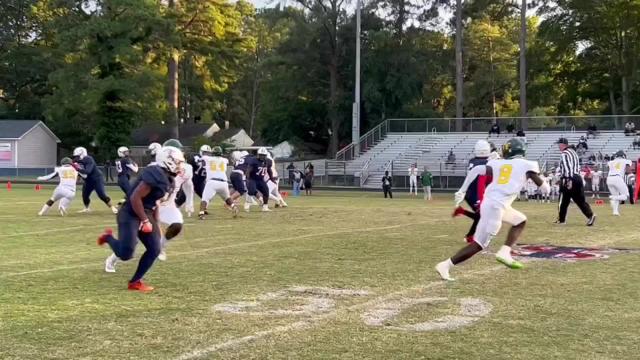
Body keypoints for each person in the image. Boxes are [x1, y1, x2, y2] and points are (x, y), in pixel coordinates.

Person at [436, 138, 549, 281]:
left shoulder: (498, 163)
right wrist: (543, 180)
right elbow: (545, 189)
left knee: (520, 221)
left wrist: (462, 191)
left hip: (495, 204)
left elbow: (477, 170)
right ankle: (445, 265)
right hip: (496, 206)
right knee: (479, 244)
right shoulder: (527, 164)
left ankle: (505, 251)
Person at [97, 146, 184, 292]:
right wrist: (144, 220)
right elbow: (135, 197)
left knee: (155, 248)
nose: (180, 165)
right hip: (130, 211)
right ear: (168, 161)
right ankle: (108, 237)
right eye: (178, 162)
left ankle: (135, 282)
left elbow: (155, 203)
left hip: (147, 211)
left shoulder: (168, 179)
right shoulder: (155, 174)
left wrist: (155, 223)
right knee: (126, 254)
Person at [452, 140, 494, 243]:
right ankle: (469, 236)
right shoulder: (486, 162)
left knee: (482, 215)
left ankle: (462, 212)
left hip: (471, 191)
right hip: (475, 193)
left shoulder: (473, 160)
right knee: (482, 216)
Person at [555, 138, 596, 225]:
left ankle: (561, 220)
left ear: (563, 144)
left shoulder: (564, 154)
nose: (558, 146)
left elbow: (567, 167)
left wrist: (568, 179)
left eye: (559, 144)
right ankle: (590, 215)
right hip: (578, 177)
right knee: (580, 201)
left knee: (563, 200)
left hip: (569, 178)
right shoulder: (574, 153)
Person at [72, 147, 118, 214]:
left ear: (82, 154)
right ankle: (87, 208)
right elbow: (79, 173)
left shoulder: (88, 159)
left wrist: (77, 168)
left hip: (96, 179)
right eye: (75, 156)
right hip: (88, 180)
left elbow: (88, 171)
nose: (76, 158)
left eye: (77, 156)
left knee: (101, 194)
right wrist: (75, 181)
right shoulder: (77, 162)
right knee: (85, 195)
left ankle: (112, 207)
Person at [198, 145, 238, 219]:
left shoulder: (207, 158)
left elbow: (201, 157)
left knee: (205, 199)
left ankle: (201, 213)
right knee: (227, 198)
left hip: (212, 182)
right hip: (224, 182)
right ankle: (233, 207)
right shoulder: (225, 160)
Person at [246, 147, 275, 211]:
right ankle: (247, 203)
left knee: (266, 192)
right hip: (252, 178)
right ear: (258, 154)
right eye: (260, 155)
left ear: (266, 155)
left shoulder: (268, 161)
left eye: (263, 155)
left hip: (261, 179)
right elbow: (248, 170)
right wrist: (247, 178)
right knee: (252, 190)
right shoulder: (253, 160)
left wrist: (272, 178)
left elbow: (269, 170)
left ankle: (265, 207)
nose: (262, 156)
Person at [606, 150, 632, 215]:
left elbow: (608, 170)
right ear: (623, 156)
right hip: (618, 178)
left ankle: (615, 211)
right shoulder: (626, 161)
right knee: (626, 196)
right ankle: (612, 198)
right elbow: (628, 171)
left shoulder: (611, 162)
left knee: (616, 195)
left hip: (609, 178)